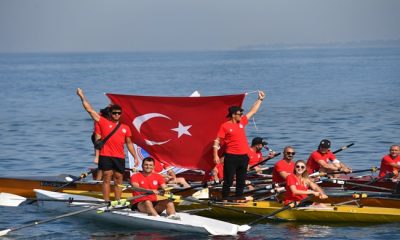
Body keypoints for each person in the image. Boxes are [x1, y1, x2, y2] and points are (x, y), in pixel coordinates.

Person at [77, 88, 139, 203]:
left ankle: (118, 201)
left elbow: (129, 143)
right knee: (106, 177)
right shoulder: (103, 121)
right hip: (105, 155)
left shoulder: (126, 128)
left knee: (119, 179)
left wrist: (135, 157)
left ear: (121, 114)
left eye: (118, 113)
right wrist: (81, 96)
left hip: (119, 156)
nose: (116, 115)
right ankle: (106, 201)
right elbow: (89, 110)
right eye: (114, 113)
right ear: (110, 114)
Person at [213, 90, 266, 200]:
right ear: (233, 115)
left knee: (241, 181)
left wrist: (260, 99)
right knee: (228, 180)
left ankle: (238, 198)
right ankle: (225, 199)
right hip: (231, 157)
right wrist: (215, 155)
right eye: (239, 114)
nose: (241, 115)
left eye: (242, 114)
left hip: (243, 157)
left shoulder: (241, 122)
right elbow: (217, 141)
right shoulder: (225, 126)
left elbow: (253, 111)